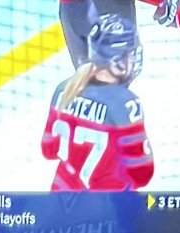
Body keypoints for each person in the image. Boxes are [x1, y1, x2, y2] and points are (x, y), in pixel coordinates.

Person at [42, 15, 155, 194]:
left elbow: (49, 149)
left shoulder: (64, 89)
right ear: (117, 61)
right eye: (131, 54)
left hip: (60, 198)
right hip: (107, 204)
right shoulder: (125, 103)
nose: (134, 60)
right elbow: (141, 174)